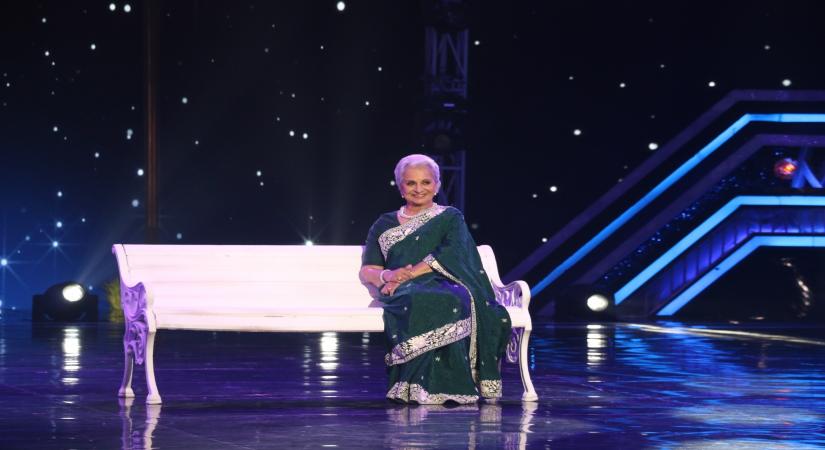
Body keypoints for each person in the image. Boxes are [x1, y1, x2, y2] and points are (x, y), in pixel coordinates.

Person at [359, 154, 511, 404]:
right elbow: (368, 269)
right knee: (416, 298)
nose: (419, 189)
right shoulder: (383, 223)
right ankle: (412, 384)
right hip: (403, 288)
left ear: (437, 186)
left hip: (445, 280)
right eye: (411, 183)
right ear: (400, 187)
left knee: (453, 299)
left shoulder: (450, 217)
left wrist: (406, 274)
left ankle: (452, 385)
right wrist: (389, 276)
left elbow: (451, 253)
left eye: (426, 182)